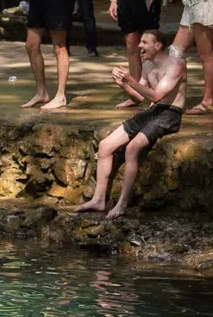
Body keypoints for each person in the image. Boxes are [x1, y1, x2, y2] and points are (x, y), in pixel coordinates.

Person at [73, 31, 187, 220]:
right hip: (153, 111)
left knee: (132, 148)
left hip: (170, 113)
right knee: (105, 146)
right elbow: (140, 98)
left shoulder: (176, 65)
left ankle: (122, 204)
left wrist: (130, 80)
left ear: (158, 46)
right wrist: (124, 85)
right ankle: (98, 199)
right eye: (140, 42)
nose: (139, 46)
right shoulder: (148, 65)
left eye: (144, 42)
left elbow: (157, 96)